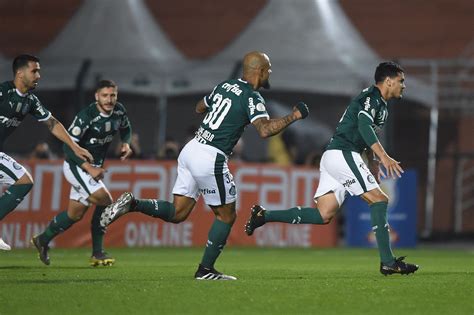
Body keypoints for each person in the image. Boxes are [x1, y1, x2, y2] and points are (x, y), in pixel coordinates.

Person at [99, 51, 309, 280]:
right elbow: (265, 130)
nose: (270, 73)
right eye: (268, 69)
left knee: (178, 213)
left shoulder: (225, 85)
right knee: (227, 216)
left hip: (191, 149)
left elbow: (200, 107)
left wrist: (222, 112)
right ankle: (205, 270)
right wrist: (294, 116)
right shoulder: (252, 97)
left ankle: (133, 203)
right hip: (211, 156)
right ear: (260, 71)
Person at [245, 61, 419, 276]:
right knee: (380, 200)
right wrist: (384, 156)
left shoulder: (381, 105)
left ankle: (264, 215)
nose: (403, 85)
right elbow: (364, 125)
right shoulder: (371, 97)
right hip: (343, 153)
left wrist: (373, 161)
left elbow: (364, 132)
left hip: (334, 156)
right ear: (389, 81)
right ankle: (388, 262)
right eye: (401, 81)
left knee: (324, 214)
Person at [31, 79, 132, 266]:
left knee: (74, 215)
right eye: (105, 95)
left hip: (92, 169)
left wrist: (126, 142)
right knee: (105, 199)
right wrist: (89, 168)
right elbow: (68, 148)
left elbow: (126, 128)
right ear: (96, 97)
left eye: (112, 95)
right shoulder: (86, 116)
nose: (109, 99)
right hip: (76, 166)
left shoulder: (119, 110)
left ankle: (42, 240)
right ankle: (98, 252)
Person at [0, 54, 93, 251]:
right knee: (23, 180)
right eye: (34, 71)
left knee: (23, 181)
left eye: (39, 71)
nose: (39, 75)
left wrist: (75, 147)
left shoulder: (30, 101)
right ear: (20, 73)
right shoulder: (2, 92)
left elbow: (52, 123)